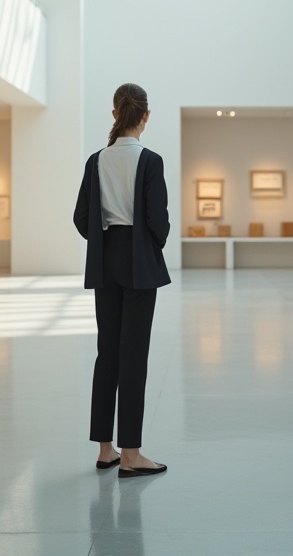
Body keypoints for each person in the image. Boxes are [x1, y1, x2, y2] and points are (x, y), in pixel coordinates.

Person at [74, 83, 171, 479]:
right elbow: (158, 221)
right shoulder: (150, 160)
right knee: (134, 356)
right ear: (145, 116)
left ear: (115, 114)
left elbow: (82, 219)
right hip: (138, 262)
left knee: (107, 353)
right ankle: (131, 454)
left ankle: (105, 449)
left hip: (105, 258)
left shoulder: (96, 160)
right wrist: (151, 245)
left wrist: (104, 240)